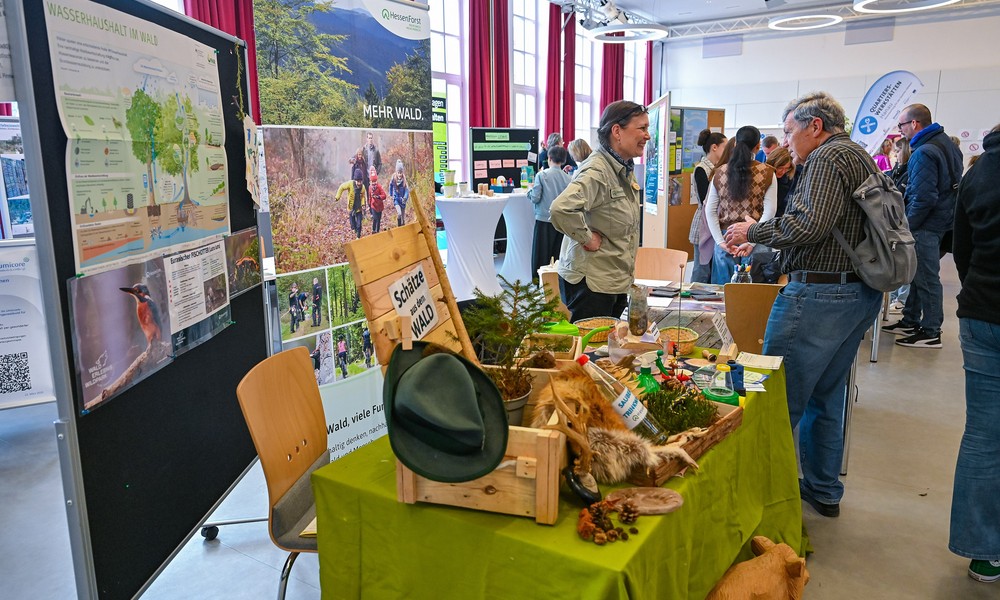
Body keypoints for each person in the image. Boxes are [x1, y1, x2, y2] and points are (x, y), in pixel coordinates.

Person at [725, 91, 884, 518]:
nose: (786, 141)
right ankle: (823, 489)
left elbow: (809, 225)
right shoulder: (856, 154)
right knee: (828, 396)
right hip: (854, 293)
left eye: (791, 131)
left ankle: (760, 493)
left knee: (774, 396)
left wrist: (753, 232)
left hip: (820, 296)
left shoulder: (828, 159)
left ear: (815, 127)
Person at [949, 123, 1000, 584]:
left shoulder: (979, 174)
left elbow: (961, 251)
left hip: (982, 314)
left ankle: (984, 552)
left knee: (983, 436)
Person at [550, 100, 649, 322]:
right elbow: (560, 209)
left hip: (613, 280)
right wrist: (586, 238)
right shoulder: (597, 170)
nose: (647, 135)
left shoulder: (621, 167)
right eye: (641, 128)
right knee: (592, 352)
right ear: (617, 131)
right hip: (592, 284)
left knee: (609, 348)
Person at [882, 103, 963, 349]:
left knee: (926, 279)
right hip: (941, 222)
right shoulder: (946, 144)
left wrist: (905, 227)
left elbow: (923, 197)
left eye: (901, 125)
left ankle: (930, 331)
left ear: (914, 124)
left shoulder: (924, 152)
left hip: (926, 224)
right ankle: (910, 320)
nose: (900, 131)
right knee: (918, 276)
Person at [705, 125, 778, 284]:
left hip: (727, 237)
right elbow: (770, 212)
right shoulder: (768, 173)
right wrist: (751, 241)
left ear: (735, 144)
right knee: (753, 299)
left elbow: (709, 211)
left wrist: (720, 242)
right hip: (757, 238)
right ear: (758, 146)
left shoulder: (720, 172)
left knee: (721, 297)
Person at [689, 129, 727, 283]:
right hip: (703, 222)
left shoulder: (720, 168)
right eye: (725, 147)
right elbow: (707, 198)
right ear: (714, 147)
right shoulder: (701, 169)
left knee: (714, 269)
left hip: (716, 222)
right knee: (702, 269)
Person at [529, 145, 572, 276]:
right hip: (561, 222)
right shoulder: (569, 178)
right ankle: (555, 283)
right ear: (563, 160)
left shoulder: (541, 175)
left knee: (540, 255)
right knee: (558, 255)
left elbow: (535, 198)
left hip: (543, 219)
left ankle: (538, 284)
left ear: (549, 158)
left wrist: (529, 192)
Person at [888, 137, 912, 313]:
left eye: (897, 151)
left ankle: (901, 299)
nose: (894, 154)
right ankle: (897, 297)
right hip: (897, 219)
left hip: (904, 221)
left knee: (904, 261)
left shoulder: (908, 171)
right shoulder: (897, 170)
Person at [336, 168, 368, 239]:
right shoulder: (350, 184)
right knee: (353, 225)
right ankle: (355, 230)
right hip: (351, 208)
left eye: (360, 181)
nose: (359, 183)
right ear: (355, 180)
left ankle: (358, 236)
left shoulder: (363, 187)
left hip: (359, 208)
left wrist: (363, 205)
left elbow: (363, 197)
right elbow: (341, 187)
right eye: (358, 181)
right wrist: (337, 197)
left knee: (359, 224)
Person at [766, 147, 796, 217]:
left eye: (786, 168)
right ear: (772, 164)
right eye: (780, 168)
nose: (783, 172)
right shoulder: (762, 176)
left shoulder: (789, 180)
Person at [389, 160, 410, 227]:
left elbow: (407, 190)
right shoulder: (394, 179)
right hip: (396, 199)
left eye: (401, 173)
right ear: (396, 172)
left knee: (403, 219)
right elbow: (391, 185)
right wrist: (391, 194)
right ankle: (399, 226)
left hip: (403, 201)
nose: (400, 174)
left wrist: (405, 198)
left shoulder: (404, 180)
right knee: (399, 214)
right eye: (398, 172)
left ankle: (403, 226)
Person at [368, 166, 387, 234]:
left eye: (375, 181)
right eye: (372, 181)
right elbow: (369, 197)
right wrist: (369, 206)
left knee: (378, 219)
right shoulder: (370, 187)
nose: (374, 183)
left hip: (380, 206)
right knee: (375, 218)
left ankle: (377, 231)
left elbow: (384, 196)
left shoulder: (379, 186)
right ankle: (373, 230)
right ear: (370, 181)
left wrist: (378, 197)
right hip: (373, 206)